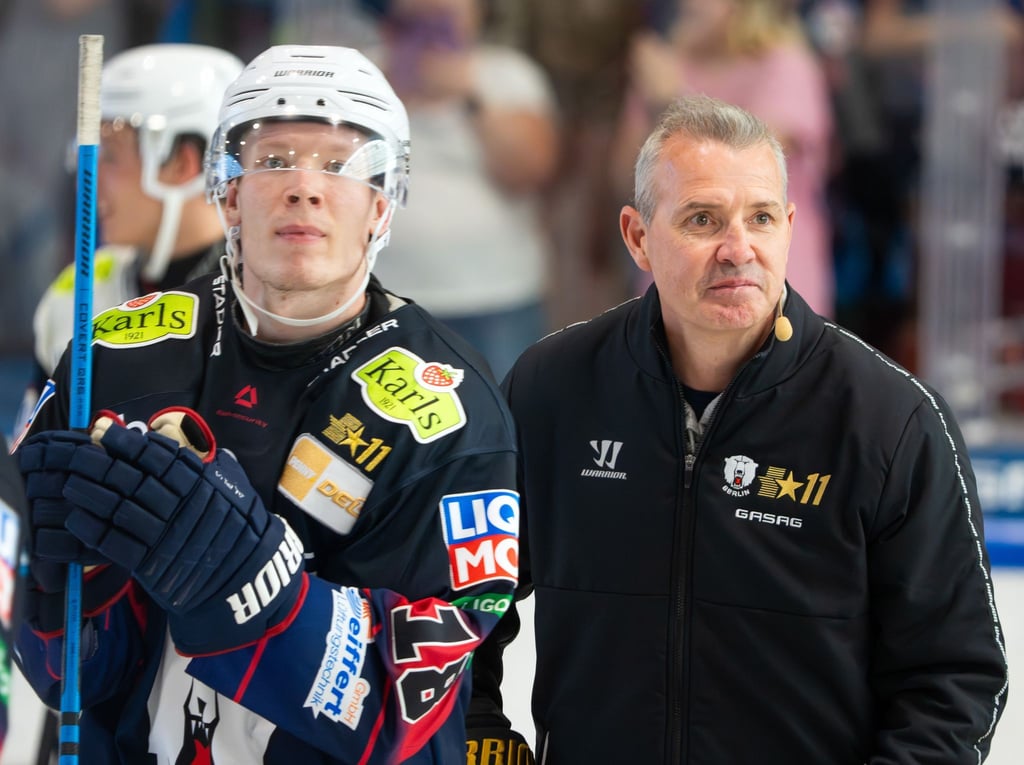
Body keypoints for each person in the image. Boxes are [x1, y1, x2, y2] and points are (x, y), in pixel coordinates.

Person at [11, 44, 522, 764]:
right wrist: (62, 585)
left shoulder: (454, 412)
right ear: (227, 193)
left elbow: (416, 726)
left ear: (382, 203)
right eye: (275, 160)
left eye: (338, 165)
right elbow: (69, 677)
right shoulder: (114, 352)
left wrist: (248, 584)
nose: (304, 188)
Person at [481, 94, 1009, 763]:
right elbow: (462, 600)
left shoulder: (892, 418)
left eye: (760, 218)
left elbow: (956, 678)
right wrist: (481, 742)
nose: (739, 249)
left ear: (791, 226)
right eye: (703, 219)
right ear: (638, 236)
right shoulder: (551, 388)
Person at [24, 43, 245, 394]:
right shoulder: (79, 292)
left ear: (182, 163)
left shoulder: (264, 303)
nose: (88, 177)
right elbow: (32, 440)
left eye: (108, 155)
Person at [370, 0, 559, 380]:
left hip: (497, 292)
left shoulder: (508, 75)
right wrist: (395, 92)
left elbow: (531, 171)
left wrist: (470, 95)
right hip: (385, 294)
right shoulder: (366, 71)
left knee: (510, 419)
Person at [610, 0, 835, 318]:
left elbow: (746, 166)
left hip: (764, 276)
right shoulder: (667, 68)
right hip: (679, 278)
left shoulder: (785, 66)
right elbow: (624, 179)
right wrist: (656, 100)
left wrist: (670, 99)